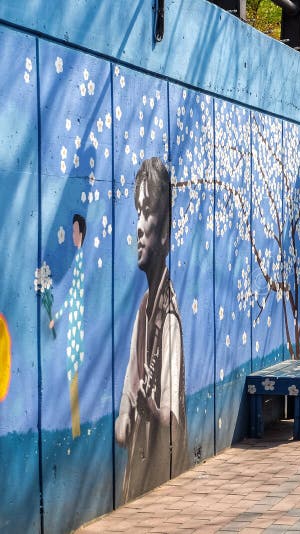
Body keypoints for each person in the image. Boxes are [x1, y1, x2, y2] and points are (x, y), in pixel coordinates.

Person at [115, 158, 189, 504]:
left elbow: (171, 422)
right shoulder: (144, 309)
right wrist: (126, 415)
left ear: (167, 231)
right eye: (138, 212)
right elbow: (129, 387)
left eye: (148, 211)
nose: (139, 226)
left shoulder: (169, 318)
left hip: (161, 478)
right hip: (139, 475)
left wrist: (149, 409)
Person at [50, 213, 87, 439]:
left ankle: (75, 429)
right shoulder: (78, 260)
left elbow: (74, 297)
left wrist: (57, 316)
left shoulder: (80, 261)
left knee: (72, 375)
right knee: (72, 375)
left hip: (74, 328)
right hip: (74, 326)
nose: (72, 235)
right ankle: (75, 428)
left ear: (81, 234)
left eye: (74, 231)